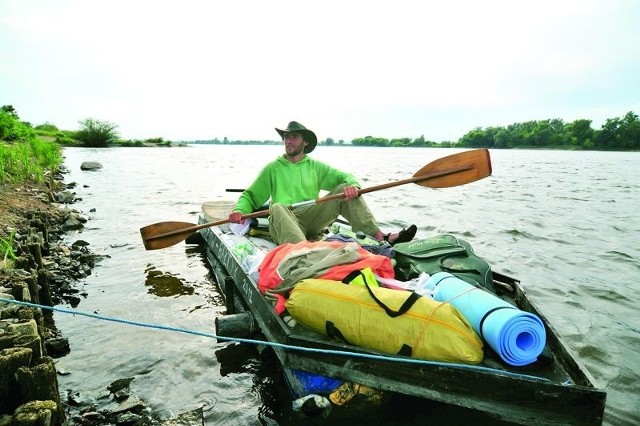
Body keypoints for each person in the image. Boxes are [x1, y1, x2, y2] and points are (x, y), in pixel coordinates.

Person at [228, 121, 417, 246]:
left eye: (294, 136)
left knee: (344, 189)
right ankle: (304, 252)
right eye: (286, 137)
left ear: (305, 143)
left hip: (312, 217)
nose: (288, 140)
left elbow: (347, 178)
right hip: (284, 220)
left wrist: (354, 187)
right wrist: (239, 209)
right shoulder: (273, 168)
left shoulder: (315, 167)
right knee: (277, 207)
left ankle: (380, 237)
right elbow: (250, 196)